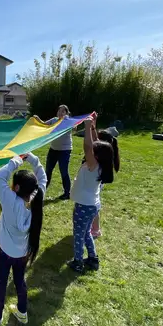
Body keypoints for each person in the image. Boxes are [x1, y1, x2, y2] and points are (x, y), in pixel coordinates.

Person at [0, 152, 47, 326]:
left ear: (17, 187)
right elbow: (42, 177)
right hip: (23, 253)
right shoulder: (37, 198)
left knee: (1, 283)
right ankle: (22, 312)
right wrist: (34, 160)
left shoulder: (9, 200)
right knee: (20, 281)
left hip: (5, 252)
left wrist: (17, 160)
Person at [67, 116, 114, 274]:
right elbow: (94, 145)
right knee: (86, 233)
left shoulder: (92, 165)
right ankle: (93, 259)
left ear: (97, 155)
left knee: (79, 235)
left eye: (95, 151)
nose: (91, 151)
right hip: (91, 205)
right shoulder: (101, 165)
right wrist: (93, 127)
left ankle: (78, 262)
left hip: (84, 206)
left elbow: (88, 147)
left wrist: (87, 127)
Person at [90, 127, 120, 238]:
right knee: (93, 205)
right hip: (95, 185)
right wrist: (93, 125)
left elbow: (92, 141)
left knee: (94, 206)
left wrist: (90, 127)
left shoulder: (101, 158)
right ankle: (93, 228)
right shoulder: (106, 153)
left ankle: (96, 230)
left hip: (94, 186)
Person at [44, 105, 73, 200]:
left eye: (63, 111)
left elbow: (75, 128)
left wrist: (67, 119)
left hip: (65, 150)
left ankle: (67, 193)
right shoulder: (53, 120)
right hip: (53, 149)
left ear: (66, 113)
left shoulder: (69, 121)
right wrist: (36, 120)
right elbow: (43, 125)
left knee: (64, 171)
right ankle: (42, 191)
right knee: (48, 170)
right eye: (59, 111)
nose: (60, 113)